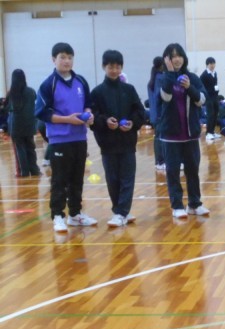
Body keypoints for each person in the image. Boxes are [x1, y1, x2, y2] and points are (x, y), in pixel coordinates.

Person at [35, 42, 96, 232]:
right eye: (62, 57)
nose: (67, 61)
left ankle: (75, 214)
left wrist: (88, 114)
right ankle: (58, 216)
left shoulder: (81, 82)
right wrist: (67, 119)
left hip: (80, 138)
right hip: (59, 139)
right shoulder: (48, 84)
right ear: (54, 59)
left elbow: (88, 104)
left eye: (70, 57)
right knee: (59, 180)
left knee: (77, 179)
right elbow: (42, 113)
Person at [90, 49, 145, 228]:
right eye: (110, 67)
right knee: (112, 179)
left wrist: (132, 123)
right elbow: (93, 118)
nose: (114, 70)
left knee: (128, 178)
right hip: (107, 144)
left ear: (121, 68)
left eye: (117, 67)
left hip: (127, 142)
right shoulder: (97, 92)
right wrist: (105, 121)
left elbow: (140, 112)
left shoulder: (129, 90)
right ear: (104, 67)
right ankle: (120, 211)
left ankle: (121, 212)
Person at [157, 42, 209, 219]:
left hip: (190, 134)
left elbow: (201, 100)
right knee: (172, 172)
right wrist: (170, 74)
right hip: (170, 135)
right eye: (173, 56)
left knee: (193, 170)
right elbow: (165, 97)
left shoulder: (192, 77)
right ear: (167, 59)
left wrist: (189, 87)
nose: (177, 59)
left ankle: (194, 204)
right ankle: (177, 205)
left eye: (179, 55)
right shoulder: (163, 78)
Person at [8, 69, 39, 177]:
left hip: (16, 125)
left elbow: (7, 108)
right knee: (31, 148)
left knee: (20, 149)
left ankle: (24, 172)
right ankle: (34, 170)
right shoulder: (31, 91)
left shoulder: (12, 93)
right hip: (29, 123)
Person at [147, 56, 165, 170]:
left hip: (154, 114)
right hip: (160, 113)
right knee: (160, 138)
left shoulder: (152, 81)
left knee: (157, 137)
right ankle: (160, 161)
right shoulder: (160, 79)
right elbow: (160, 97)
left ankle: (159, 161)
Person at [200, 57, 220, 141]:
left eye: (213, 63)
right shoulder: (204, 75)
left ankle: (212, 131)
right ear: (207, 65)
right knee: (210, 114)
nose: (212, 65)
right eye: (211, 64)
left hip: (215, 96)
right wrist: (205, 95)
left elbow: (215, 84)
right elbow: (201, 86)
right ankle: (208, 133)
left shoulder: (214, 73)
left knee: (216, 113)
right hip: (208, 98)